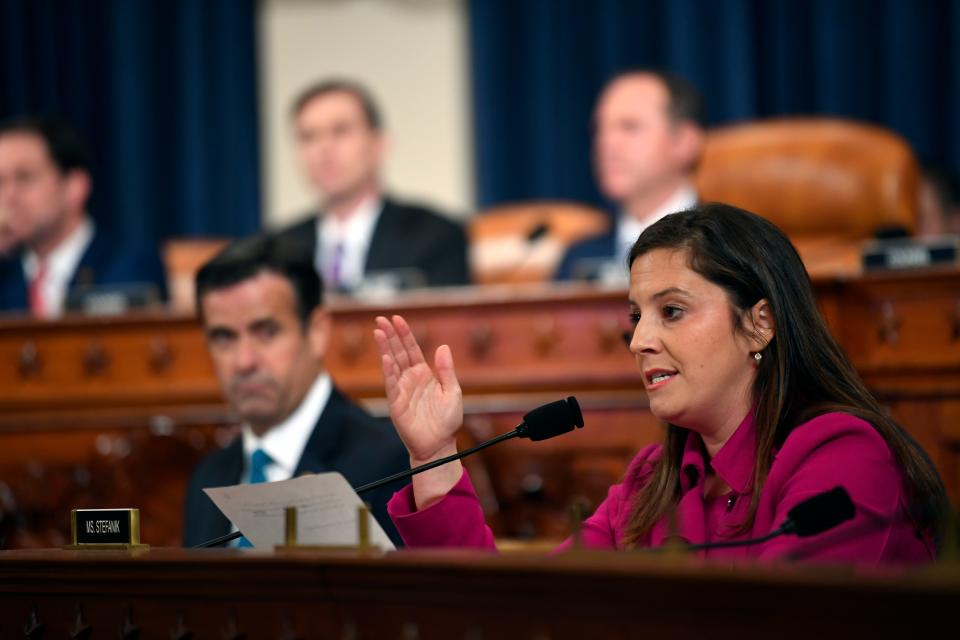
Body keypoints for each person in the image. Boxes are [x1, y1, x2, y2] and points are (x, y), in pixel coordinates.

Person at [375, 202, 946, 563]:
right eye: (636, 316)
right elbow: (521, 616)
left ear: (759, 323)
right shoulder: (653, 485)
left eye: (671, 311)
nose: (640, 339)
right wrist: (437, 455)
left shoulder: (842, 455)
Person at [182, 234, 408, 547]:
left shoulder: (388, 461)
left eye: (266, 332)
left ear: (316, 332)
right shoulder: (208, 477)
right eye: (224, 337)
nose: (244, 361)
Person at [273, 79, 470, 295]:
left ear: (379, 144)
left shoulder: (434, 235)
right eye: (308, 137)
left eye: (340, 131)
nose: (323, 149)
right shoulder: (278, 249)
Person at [0, 116, 167, 317]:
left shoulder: (130, 263)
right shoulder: (6, 271)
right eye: (0, 181)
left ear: (75, 187)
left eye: (24, 177)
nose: (8, 195)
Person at [556, 69, 704, 281]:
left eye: (629, 126)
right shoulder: (577, 260)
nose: (606, 143)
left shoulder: (732, 248)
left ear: (684, 142)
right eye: (599, 129)